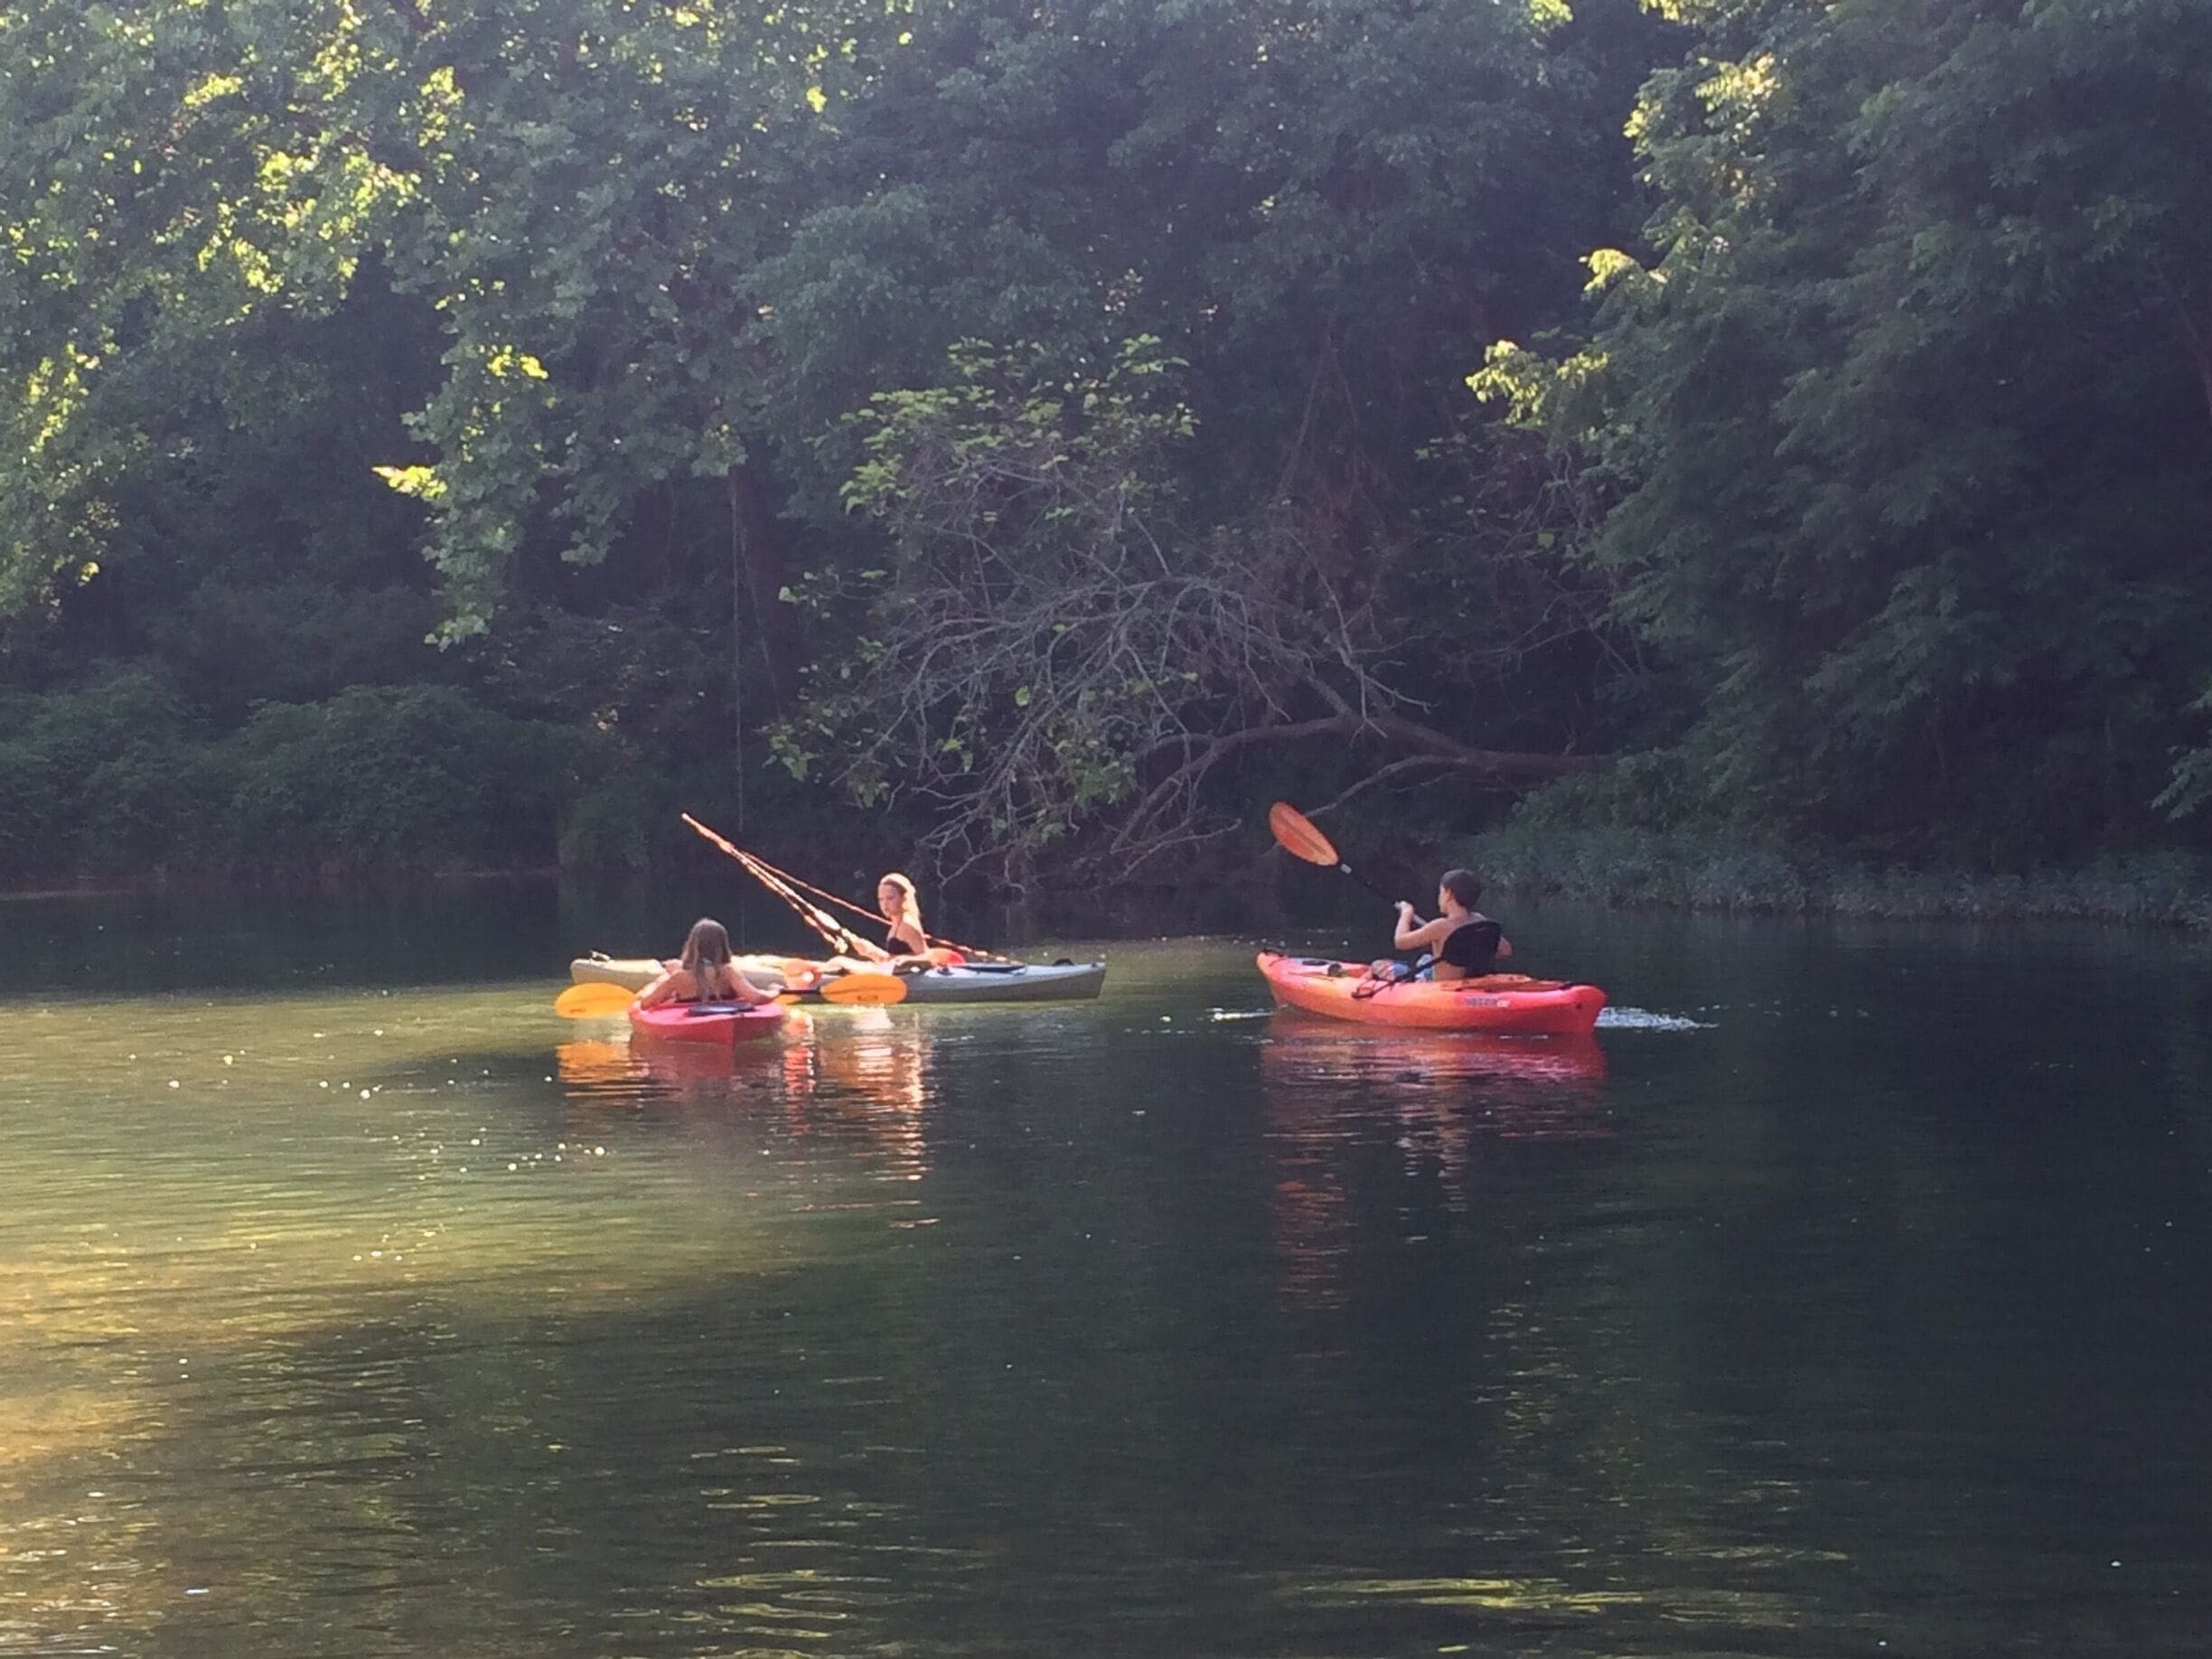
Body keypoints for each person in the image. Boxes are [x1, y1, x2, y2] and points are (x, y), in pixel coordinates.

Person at [1377, 869, 1513, 983]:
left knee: (1378, 965)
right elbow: (1506, 951)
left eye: (1440, 892)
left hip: (1442, 987)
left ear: (1448, 895)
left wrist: (1406, 914)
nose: (1439, 897)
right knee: (1426, 959)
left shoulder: (1440, 926)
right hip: (1472, 983)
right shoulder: (1481, 922)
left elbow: (1400, 942)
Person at [823, 872, 958, 971]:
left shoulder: (907, 924)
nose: (885, 904)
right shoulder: (896, 922)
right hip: (890, 972)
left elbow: (927, 959)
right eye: (881, 899)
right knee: (837, 961)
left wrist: (905, 960)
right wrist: (872, 952)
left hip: (902, 977)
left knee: (839, 961)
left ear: (903, 898)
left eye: (890, 898)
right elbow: (892, 958)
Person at [633, 918, 779, 1008]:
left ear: (692, 945)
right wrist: (774, 991)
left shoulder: (679, 977)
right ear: (722, 945)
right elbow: (757, 998)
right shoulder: (729, 972)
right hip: (723, 1014)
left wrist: (652, 990)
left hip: (689, 1023)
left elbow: (646, 1004)